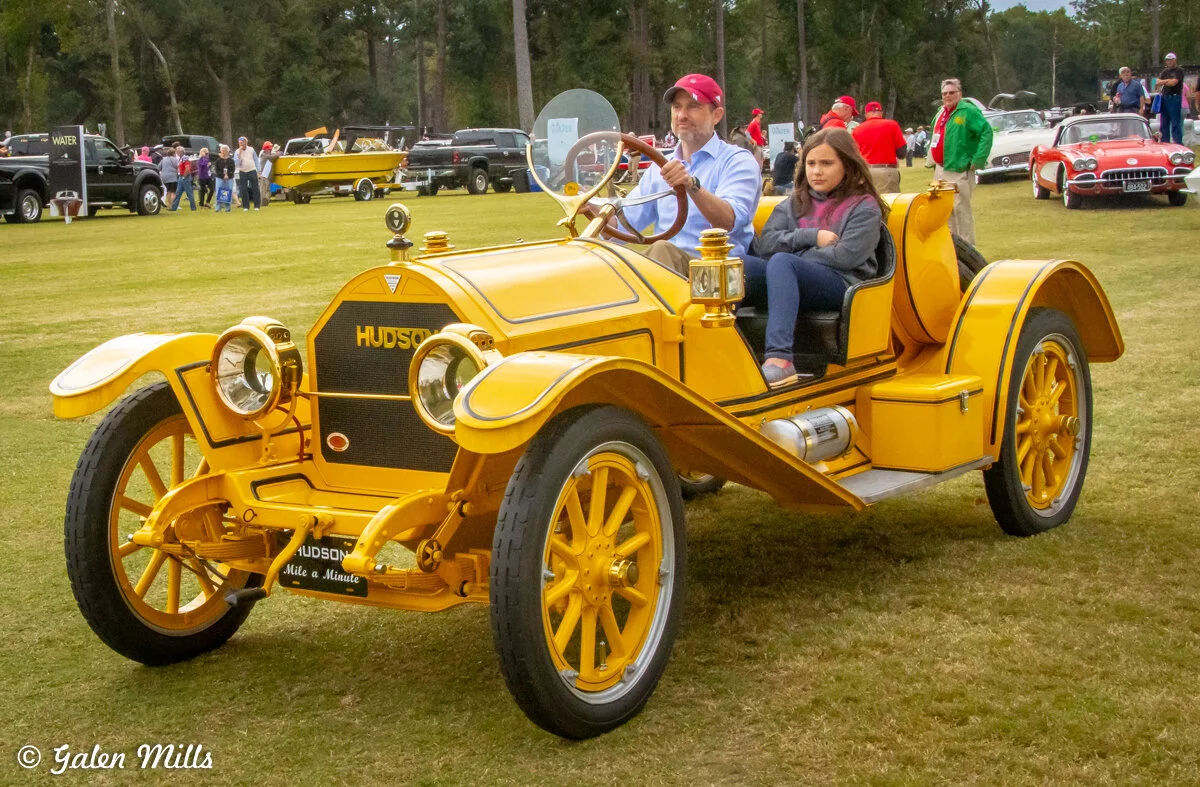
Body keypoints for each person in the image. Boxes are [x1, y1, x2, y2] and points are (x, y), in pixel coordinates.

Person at [753, 128, 885, 387]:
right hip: (794, 274)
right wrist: (810, 237)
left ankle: (780, 360)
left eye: (826, 163)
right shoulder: (795, 201)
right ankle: (721, 349)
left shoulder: (864, 205)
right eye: (811, 163)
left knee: (781, 262)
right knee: (738, 266)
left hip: (844, 284)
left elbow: (844, 257)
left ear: (846, 164)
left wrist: (793, 255)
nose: (816, 171)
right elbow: (765, 244)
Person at [619, 73, 762, 277]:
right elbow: (626, 222)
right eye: (677, 107)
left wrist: (690, 184)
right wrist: (593, 210)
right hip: (669, 273)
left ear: (717, 115)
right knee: (611, 264)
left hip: (719, 275)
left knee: (661, 250)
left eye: (693, 106)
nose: (682, 115)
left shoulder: (738, 161)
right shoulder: (660, 166)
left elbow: (728, 221)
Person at [928, 77, 992, 245]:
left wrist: (978, 159)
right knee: (944, 209)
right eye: (944, 93)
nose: (948, 96)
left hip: (959, 169)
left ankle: (968, 248)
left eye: (951, 92)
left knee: (960, 209)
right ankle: (951, 246)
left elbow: (986, 132)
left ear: (960, 94)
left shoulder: (968, 111)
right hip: (941, 169)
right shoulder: (941, 112)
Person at [852, 101, 907, 192]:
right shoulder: (892, 125)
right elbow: (902, 153)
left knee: (867, 203)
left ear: (866, 114)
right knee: (888, 202)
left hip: (865, 172)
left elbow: (853, 154)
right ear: (881, 113)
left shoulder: (857, 130)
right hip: (886, 171)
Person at [1157, 53, 1185, 145]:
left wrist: (1164, 82)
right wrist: (1167, 81)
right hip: (1165, 97)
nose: (1169, 62)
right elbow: (1157, 82)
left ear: (1175, 60)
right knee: (1164, 122)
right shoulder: (1165, 71)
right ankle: (1165, 143)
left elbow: (1174, 83)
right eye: (1167, 60)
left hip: (1174, 97)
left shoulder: (1179, 70)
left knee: (1175, 122)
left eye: (1171, 60)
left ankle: (1178, 143)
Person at [234, 136, 261, 210]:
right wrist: (239, 154)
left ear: (246, 142)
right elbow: (236, 163)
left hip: (252, 170)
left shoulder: (251, 149)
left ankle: (257, 206)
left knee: (255, 188)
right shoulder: (237, 151)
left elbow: (256, 160)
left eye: (242, 142)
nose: (241, 144)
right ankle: (246, 206)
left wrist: (259, 170)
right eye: (240, 143)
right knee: (243, 189)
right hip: (242, 171)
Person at [171, 146, 197, 211]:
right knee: (178, 193)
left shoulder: (185, 158)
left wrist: (184, 176)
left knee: (189, 193)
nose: (177, 152)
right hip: (181, 177)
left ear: (181, 152)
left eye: (178, 151)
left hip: (185, 177)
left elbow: (187, 169)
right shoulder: (181, 158)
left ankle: (193, 208)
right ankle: (174, 207)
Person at [213, 144, 236, 213]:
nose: (223, 152)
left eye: (225, 150)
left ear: (228, 151)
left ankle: (227, 208)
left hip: (229, 178)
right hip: (220, 178)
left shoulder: (231, 160)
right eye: (222, 150)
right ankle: (218, 208)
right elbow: (217, 170)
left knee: (228, 192)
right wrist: (223, 176)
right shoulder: (218, 160)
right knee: (219, 192)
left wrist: (228, 175)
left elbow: (233, 169)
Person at [258, 141, 278, 208]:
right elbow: (273, 157)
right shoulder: (264, 155)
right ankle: (263, 202)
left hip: (267, 175)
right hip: (264, 175)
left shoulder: (268, 154)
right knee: (264, 190)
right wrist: (277, 153)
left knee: (267, 189)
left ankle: (265, 201)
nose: (271, 149)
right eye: (270, 148)